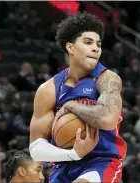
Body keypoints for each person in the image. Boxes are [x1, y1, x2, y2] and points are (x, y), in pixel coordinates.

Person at [29, 12, 126, 183]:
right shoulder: (48, 89)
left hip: (101, 162)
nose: (96, 48)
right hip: (63, 166)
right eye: (88, 42)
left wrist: (71, 106)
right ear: (70, 48)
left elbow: (108, 118)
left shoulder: (108, 79)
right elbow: (36, 148)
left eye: (98, 44)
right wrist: (72, 154)